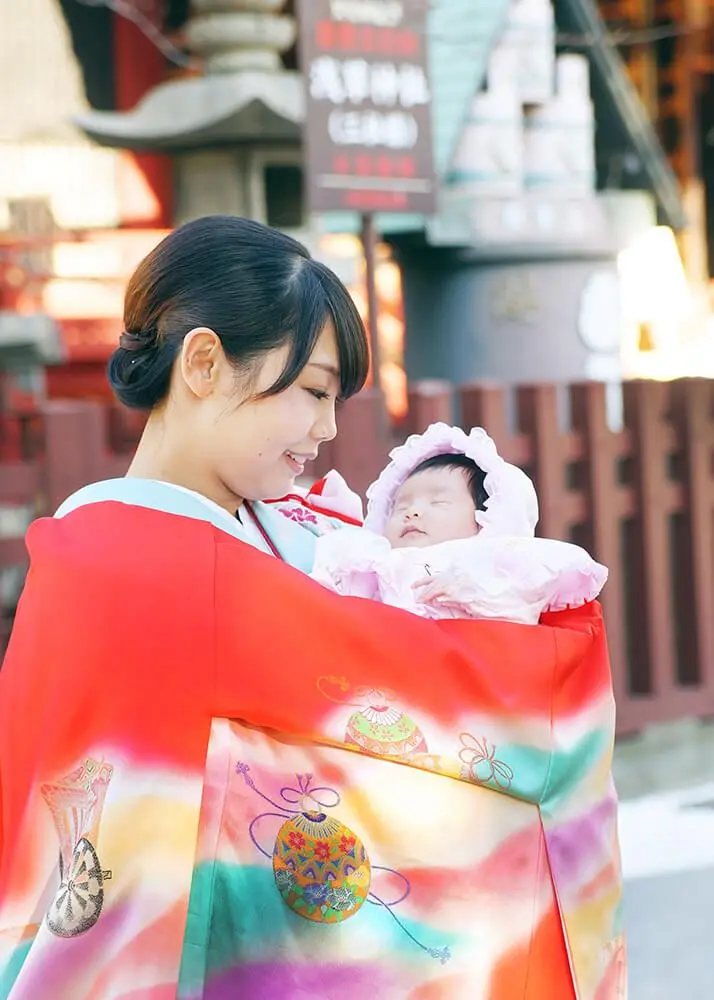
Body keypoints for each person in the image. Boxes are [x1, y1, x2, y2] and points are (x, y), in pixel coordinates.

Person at [0, 216, 626, 1000]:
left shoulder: (296, 529)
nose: (327, 430)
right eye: (313, 392)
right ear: (203, 364)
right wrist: (549, 676)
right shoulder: (129, 565)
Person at [307, 422, 608, 624]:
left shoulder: (492, 567)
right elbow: (332, 591)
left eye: (438, 502)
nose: (412, 512)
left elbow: (517, 616)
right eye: (401, 505)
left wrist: (473, 591)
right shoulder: (376, 559)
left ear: (487, 519)